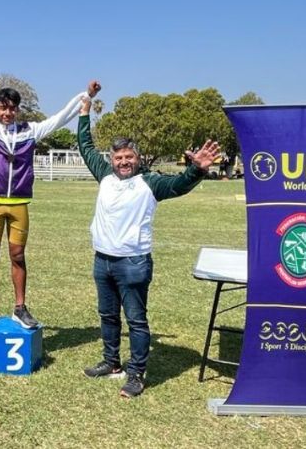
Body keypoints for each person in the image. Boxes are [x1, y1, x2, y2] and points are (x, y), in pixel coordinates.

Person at [76, 94, 219, 398]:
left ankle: (136, 373)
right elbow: (86, 147)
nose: (123, 162)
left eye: (129, 157)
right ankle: (111, 362)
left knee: (136, 320)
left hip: (133, 264)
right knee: (107, 315)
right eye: (118, 158)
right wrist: (85, 112)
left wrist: (197, 170)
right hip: (103, 260)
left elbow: (178, 185)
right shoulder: (104, 176)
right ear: (112, 160)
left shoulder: (151, 183)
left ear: (137, 158)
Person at [0, 62, 101, 328]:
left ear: (17, 109)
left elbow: (59, 118)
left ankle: (20, 308)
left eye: (12, 108)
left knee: (18, 255)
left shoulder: (30, 132)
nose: (8, 112)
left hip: (19, 203)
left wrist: (86, 96)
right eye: (3, 107)